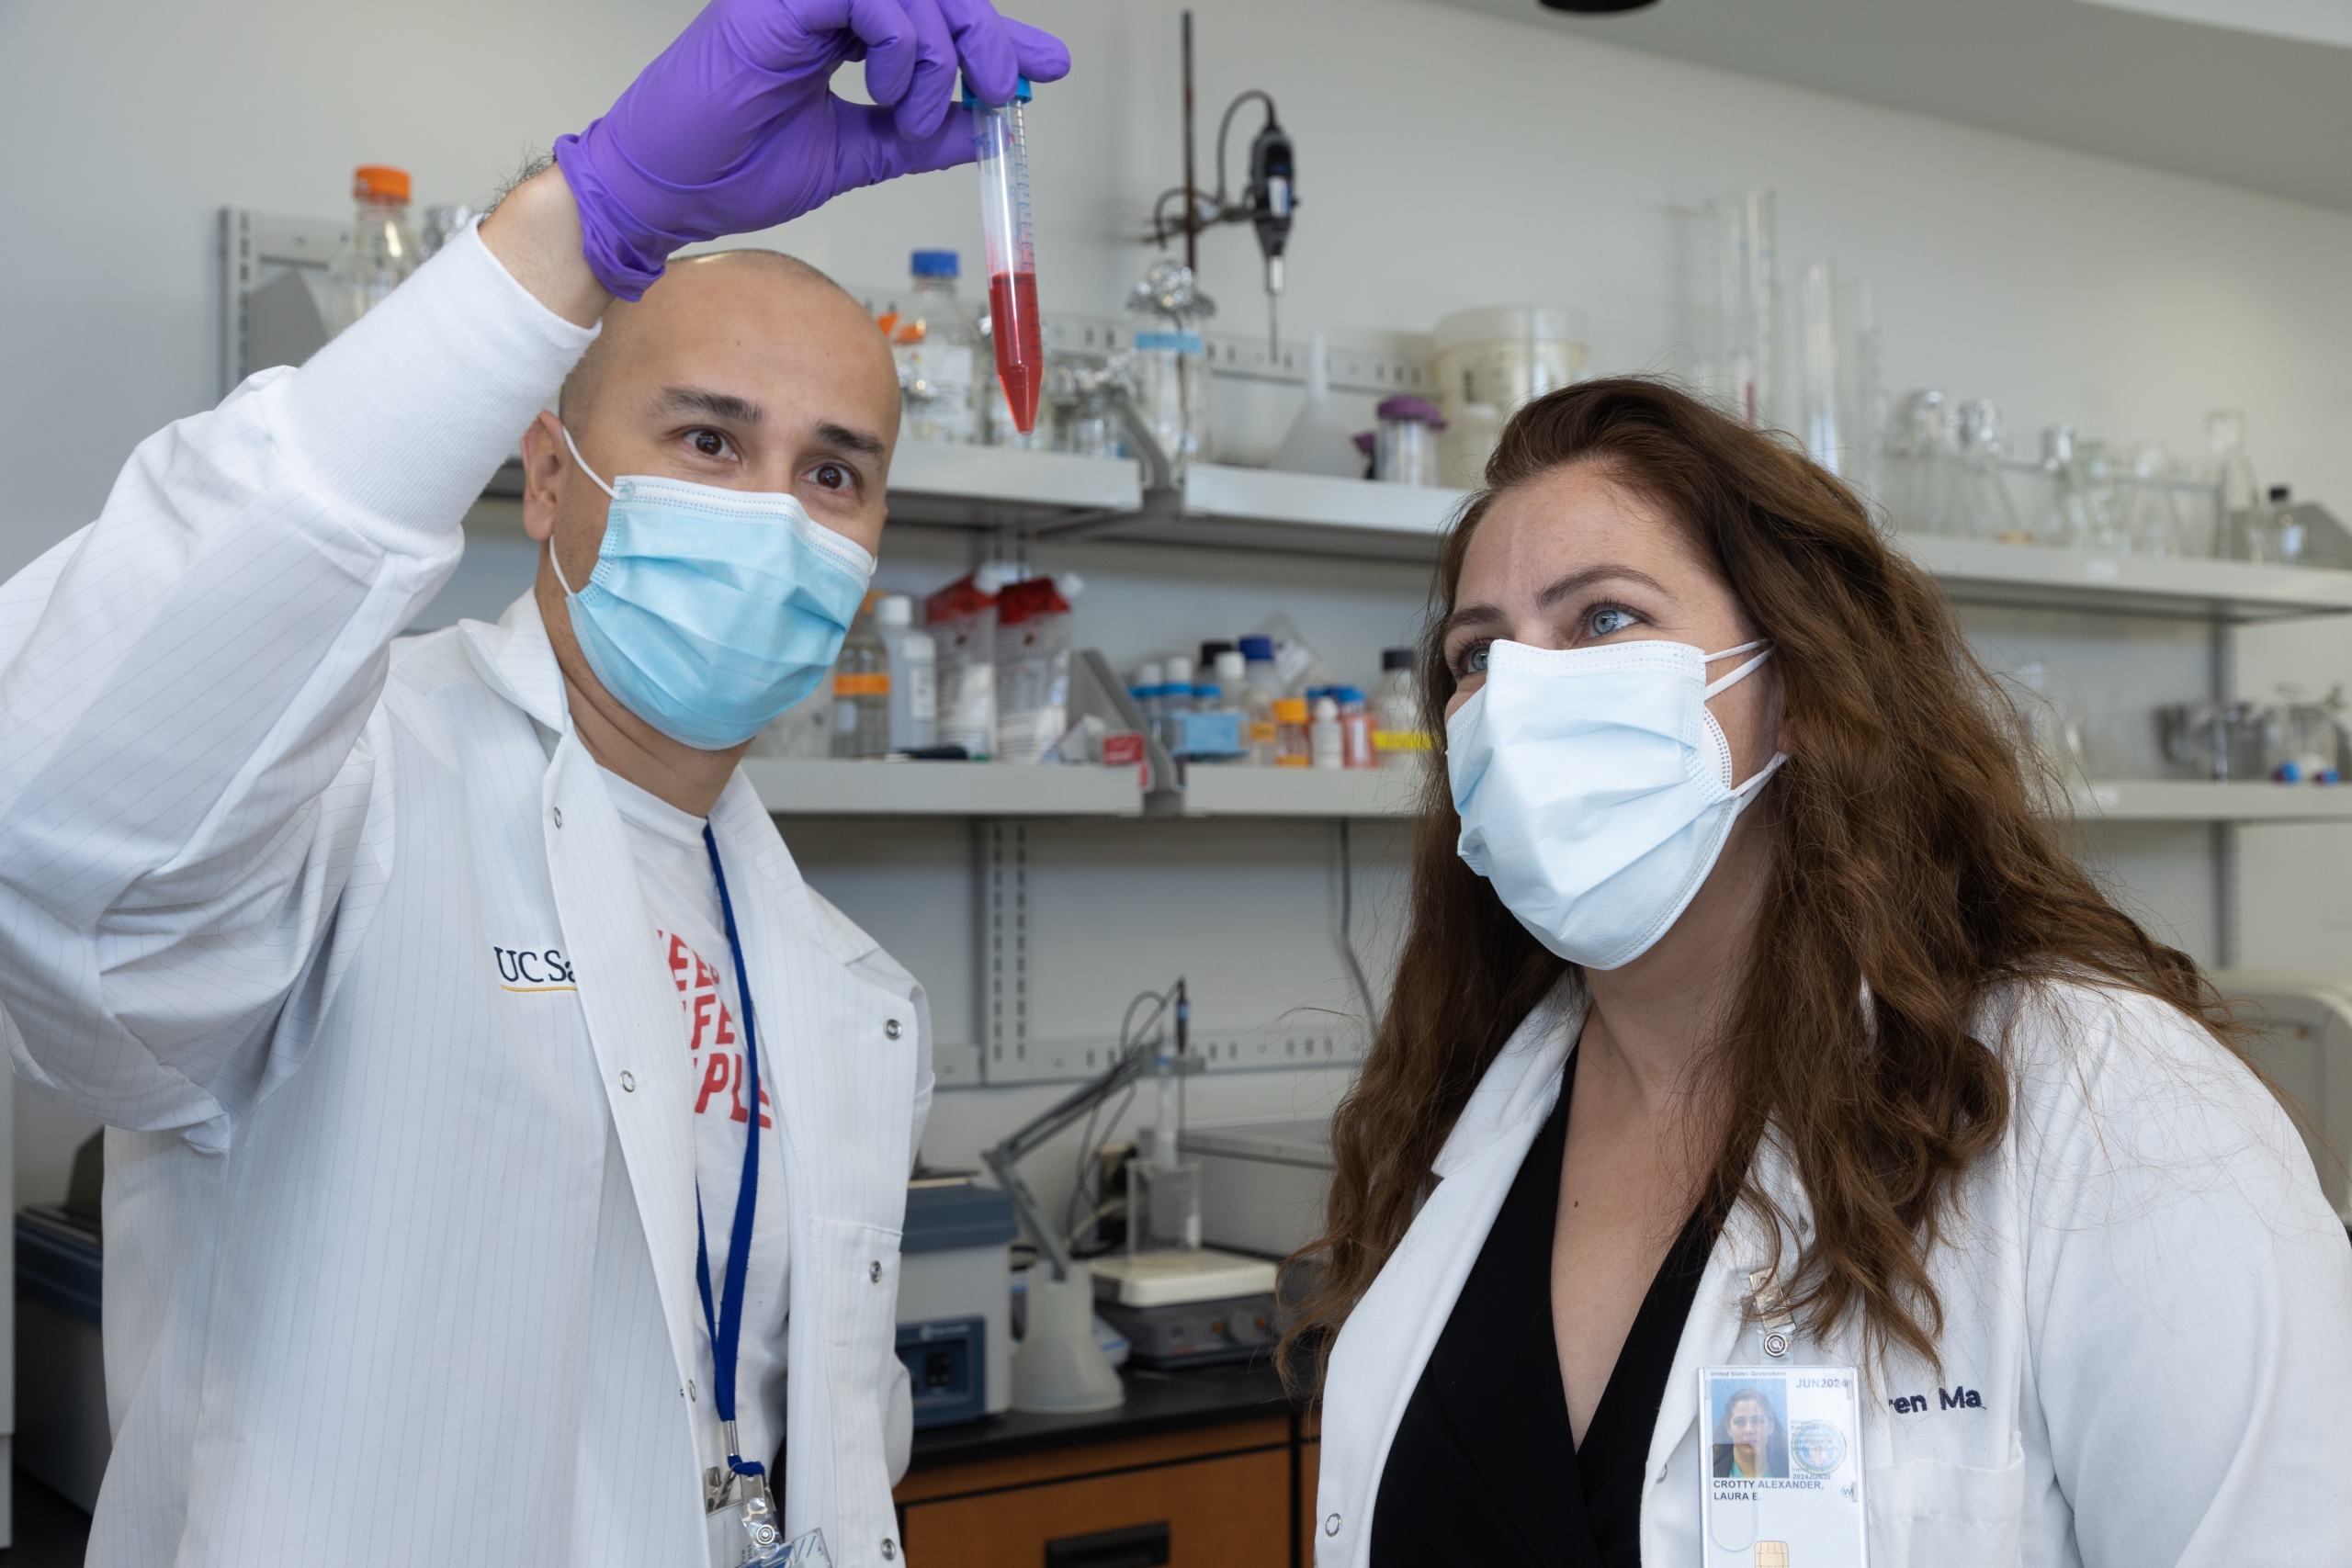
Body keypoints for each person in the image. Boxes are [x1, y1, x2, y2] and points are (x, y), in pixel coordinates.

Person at [0, 3, 1068, 1564]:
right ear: (553, 474)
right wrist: (581, 222)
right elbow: (57, 815)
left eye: (832, 470)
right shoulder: (346, 805)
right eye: (709, 437)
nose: (773, 512)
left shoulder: (843, 989)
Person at [1288, 379, 2352, 1568]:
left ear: (1794, 685)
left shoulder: (2109, 1104)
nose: (1519, 695)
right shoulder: (1470, 1107)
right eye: (1478, 653)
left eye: (1600, 620)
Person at [1708, 1388, 1783, 1480]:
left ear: (1771, 1427)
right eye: (1740, 1422)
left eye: (1757, 1421)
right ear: (1729, 1428)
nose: (1749, 1430)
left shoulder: (1788, 1471)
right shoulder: (1709, 1473)